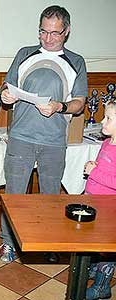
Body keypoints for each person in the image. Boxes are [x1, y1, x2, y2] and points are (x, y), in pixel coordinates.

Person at [0, 5, 88, 263]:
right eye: (43, 32)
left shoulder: (76, 61)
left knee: (50, 197)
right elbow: (8, 86)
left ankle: (49, 243)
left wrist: (59, 106)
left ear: (67, 32)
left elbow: (80, 103)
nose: (48, 39)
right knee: (14, 195)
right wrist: (5, 94)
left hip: (54, 141)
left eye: (55, 33)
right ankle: (8, 243)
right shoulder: (24, 54)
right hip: (21, 137)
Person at [83, 100, 116, 300]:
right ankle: (95, 268)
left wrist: (94, 171)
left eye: (109, 118)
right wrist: (93, 166)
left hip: (110, 209)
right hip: (95, 202)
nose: (103, 121)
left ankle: (103, 286)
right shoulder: (106, 142)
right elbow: (102, 169)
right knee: (94, 241)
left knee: (108, 247)